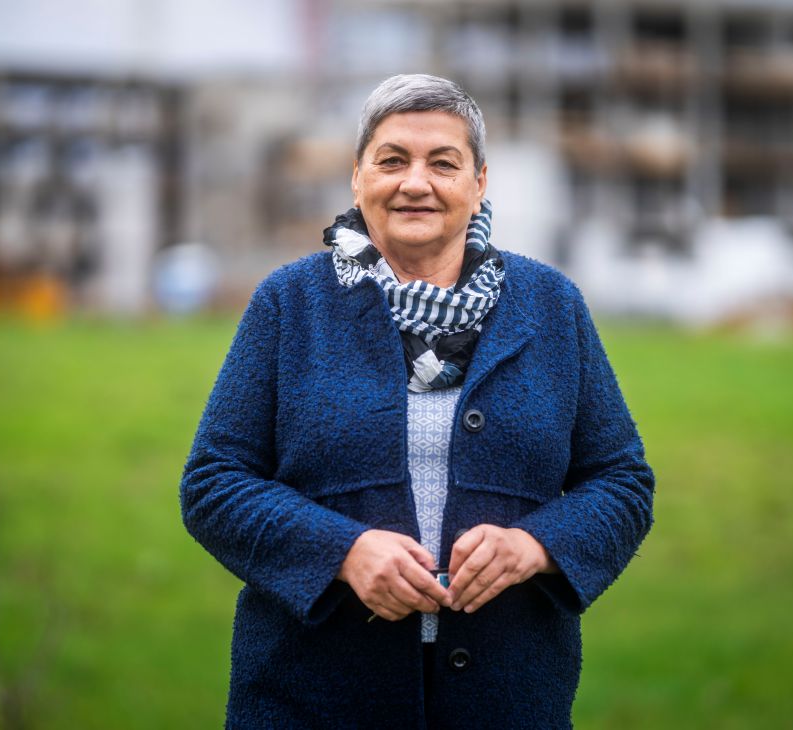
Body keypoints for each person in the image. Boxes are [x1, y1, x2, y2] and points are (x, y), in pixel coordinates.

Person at [180, 73, 654, 729]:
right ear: (357, 178)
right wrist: (342, 552)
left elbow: (622, 481)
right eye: (392, 160)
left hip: (507, 699)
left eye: (443, 163)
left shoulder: (551, 307)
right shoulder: (290, 303)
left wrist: (534, 545)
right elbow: (213, 483)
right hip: (311, 698)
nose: (415, 182)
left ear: (478, 183)